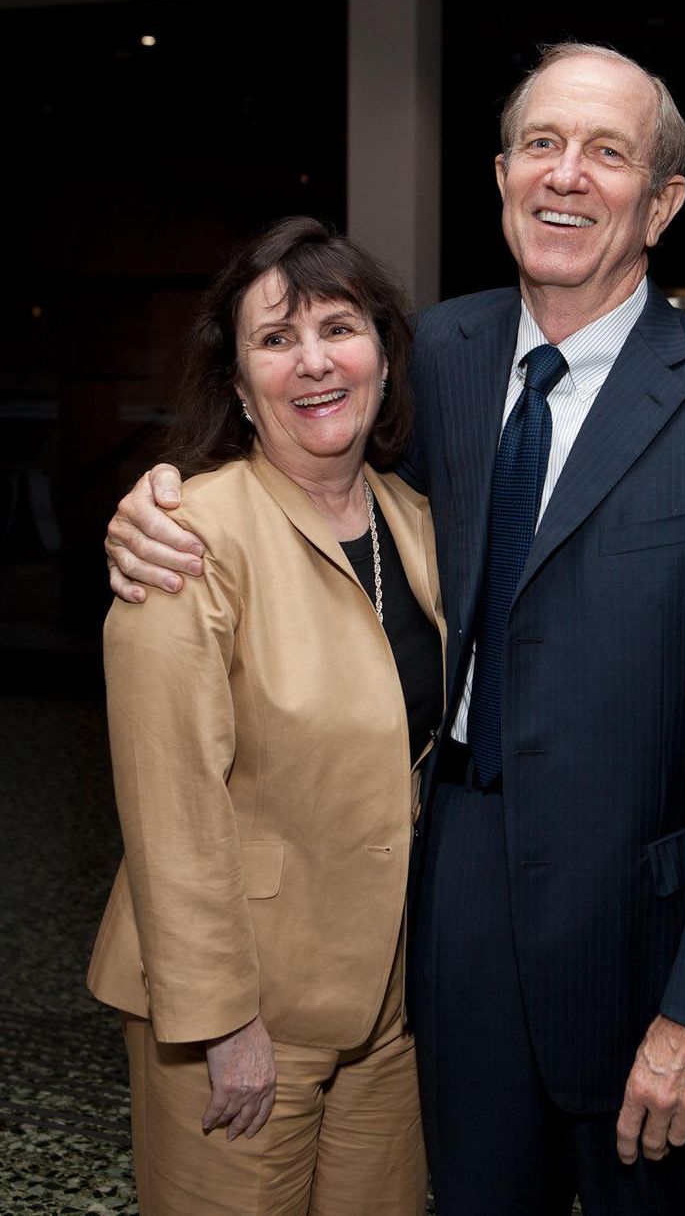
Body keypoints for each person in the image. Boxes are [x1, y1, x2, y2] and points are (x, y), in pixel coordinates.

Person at [105, 44, 685, 1215]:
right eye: (542, 144)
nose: (567, 175)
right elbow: (294, 467)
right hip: (440, 926)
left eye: (609, 153)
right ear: (501, 176)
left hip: (646, 947)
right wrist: (151, 500)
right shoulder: (431, 355)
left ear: (662, 202)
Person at [88, 217, 444, 1216]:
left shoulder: (416, 525)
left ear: (381, 351)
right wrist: (219, 1022)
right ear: (240, 385)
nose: (315, 360)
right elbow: (170, 806)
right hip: (242, 1014)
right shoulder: (186, 537)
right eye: (276, 338)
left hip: (387, 1007)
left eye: (338, 326)